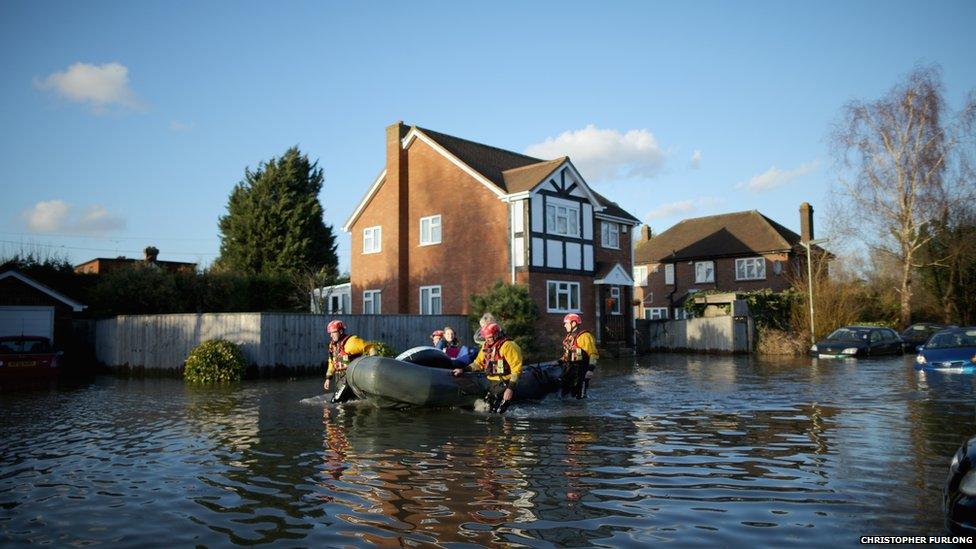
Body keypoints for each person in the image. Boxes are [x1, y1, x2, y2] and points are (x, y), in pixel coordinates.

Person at [452, 322, 522, 413]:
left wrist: (510, 389)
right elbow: (478, 363)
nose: (487, 340)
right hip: (492, 383)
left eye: (489, 337)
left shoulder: (508, 346)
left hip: (505, 383)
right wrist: (463, 370)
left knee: (496, 413)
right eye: (485, 337)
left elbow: (516, 369)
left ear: (497, 334)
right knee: (486, 409)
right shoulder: (486, 346)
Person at [323, 320, 373, 402]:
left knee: (335, 401)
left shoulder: (352, 342)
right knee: (346, 405)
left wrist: (372, 366)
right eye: (330, 333)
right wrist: (328, 378)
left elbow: (370, 347)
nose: (331, 335)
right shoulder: (332, 345)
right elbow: (332, 362)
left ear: (341, 331)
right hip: (340, 378)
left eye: (333, 332)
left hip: (350, 377)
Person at [558, 313, 599, 399]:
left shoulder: (584, 337)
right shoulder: (569, 337)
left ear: (573, 323)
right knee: (565, 393)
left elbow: (593, 354)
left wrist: (590, 370)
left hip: (581, 371)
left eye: (566, 323)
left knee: (579, 397)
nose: (564, 325)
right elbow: (568, 353)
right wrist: (560, 361)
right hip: (569, 369)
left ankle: (580, 409)